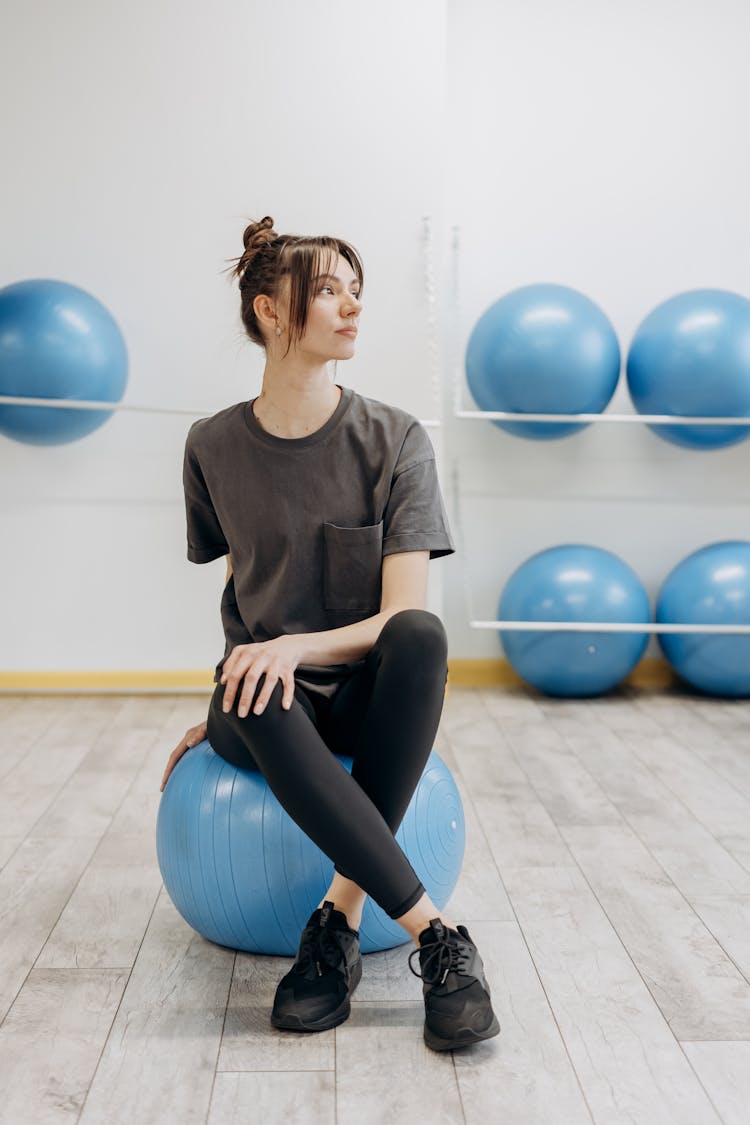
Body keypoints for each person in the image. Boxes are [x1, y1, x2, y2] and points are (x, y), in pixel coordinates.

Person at [160, 216, 500, 1052]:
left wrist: (293, 646)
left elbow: (396, 618)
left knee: (421, 634)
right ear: (272, 312)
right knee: (258, 681)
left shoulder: (396, 439)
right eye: (330, 292)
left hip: (351, 691)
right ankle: (437, 937)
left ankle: (334, 923)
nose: (352, 309)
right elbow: (244, 593)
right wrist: (229, 701)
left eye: (358, 292)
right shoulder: (211, 445)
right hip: (263, 703)